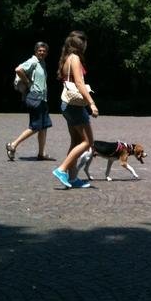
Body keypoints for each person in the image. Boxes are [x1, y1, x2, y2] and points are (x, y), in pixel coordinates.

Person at [52, 31, 99, 188]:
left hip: (67, 105)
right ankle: (62, 169)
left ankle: (72, 179)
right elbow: (79, 84)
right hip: (75, 106)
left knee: (76, 141)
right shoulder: (76, 58)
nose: (86, 46)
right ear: (81, 45)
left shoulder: (67, 58)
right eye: (85, 43)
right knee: (88, 142)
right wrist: (91, 103)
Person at [6, 41, 54, 161]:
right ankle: (13, 145)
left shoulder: (42, 63)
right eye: (39, 50)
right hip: (35, 97)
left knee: (43, 126)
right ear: (36, 51)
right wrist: (28, 83)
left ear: (47, 53)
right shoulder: (33, 61)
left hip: (42, 98)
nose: (42, 52)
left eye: (44, 51)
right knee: (35, 126)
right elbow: (18, 69)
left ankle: (41, 154)